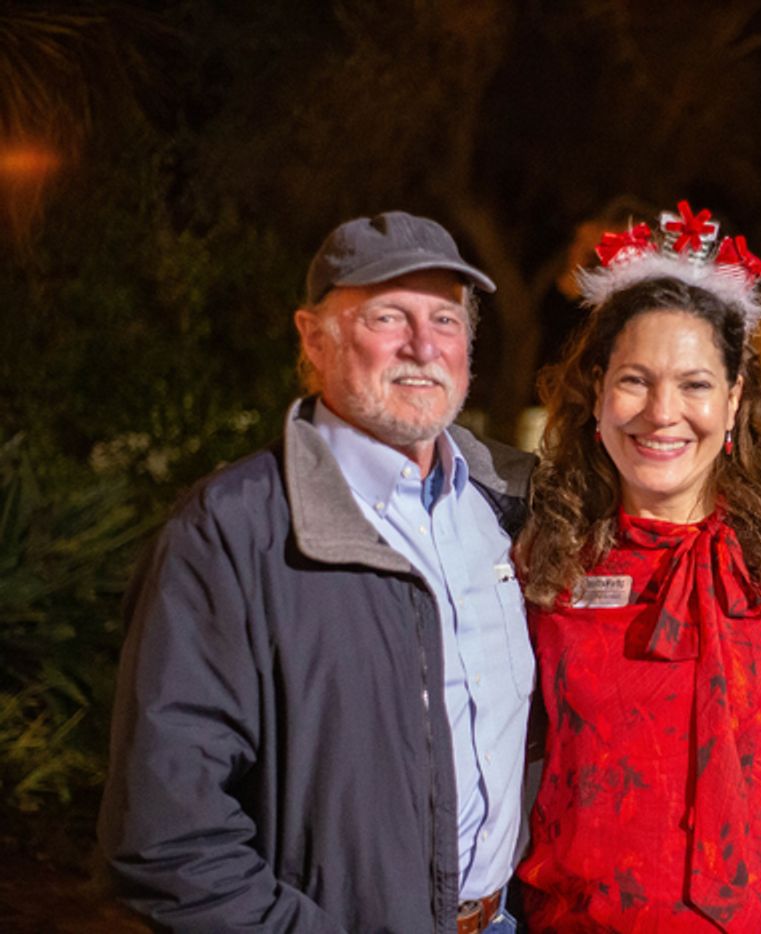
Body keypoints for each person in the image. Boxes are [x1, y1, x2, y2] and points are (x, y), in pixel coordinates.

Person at [98, 211, 536, 933]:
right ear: (313, 337)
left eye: (446, 319)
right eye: (387, 317)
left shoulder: (506, 506)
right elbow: (167, 838)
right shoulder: (233, 532)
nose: (423, 346)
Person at [514, 201, 761, 931]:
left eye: (695, 384)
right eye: (634, 380)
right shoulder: (547, 550)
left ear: (734, 399)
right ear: (597, 394)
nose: (661, 411)